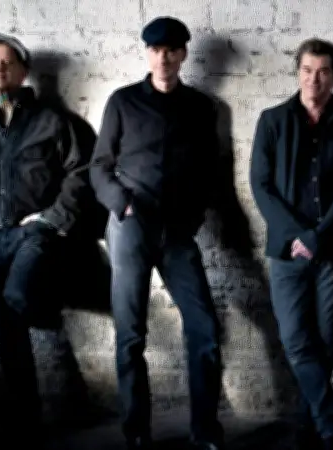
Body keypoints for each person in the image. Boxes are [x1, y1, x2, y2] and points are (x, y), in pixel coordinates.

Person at [0, 33, 92, 445]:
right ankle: (27, 421)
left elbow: (80, 171)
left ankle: (44, 310)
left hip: (35, 233)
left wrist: (51, 219)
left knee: (17, 298)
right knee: (7, 333)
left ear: (24, 71)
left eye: (8, 61)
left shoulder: (52, 121)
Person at [89, 16, 224, 450]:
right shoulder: (123, 102)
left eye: (170, 50)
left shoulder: (201, 107)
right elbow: (99, 166)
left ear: (182, 54)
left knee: (204, 327)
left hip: (178, 233)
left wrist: (194, 217)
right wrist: (123, 204)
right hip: (131, 228)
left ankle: (205, 430)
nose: (162, 58)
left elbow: (210, 170)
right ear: (147, 53)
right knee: (131, 334)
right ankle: (137, 432)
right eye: (155, 50)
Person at [249, 38, 333, 450]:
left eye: (323, 72)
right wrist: (298, 235)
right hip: (287, 252)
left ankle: (307, 422)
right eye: (307, 70)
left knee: (324, 340)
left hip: (332, 251)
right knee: (296, 339)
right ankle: (330, 424)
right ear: (297, 72)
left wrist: (318, 236)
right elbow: (260, 186)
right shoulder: (272, 121)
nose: (314, 79)